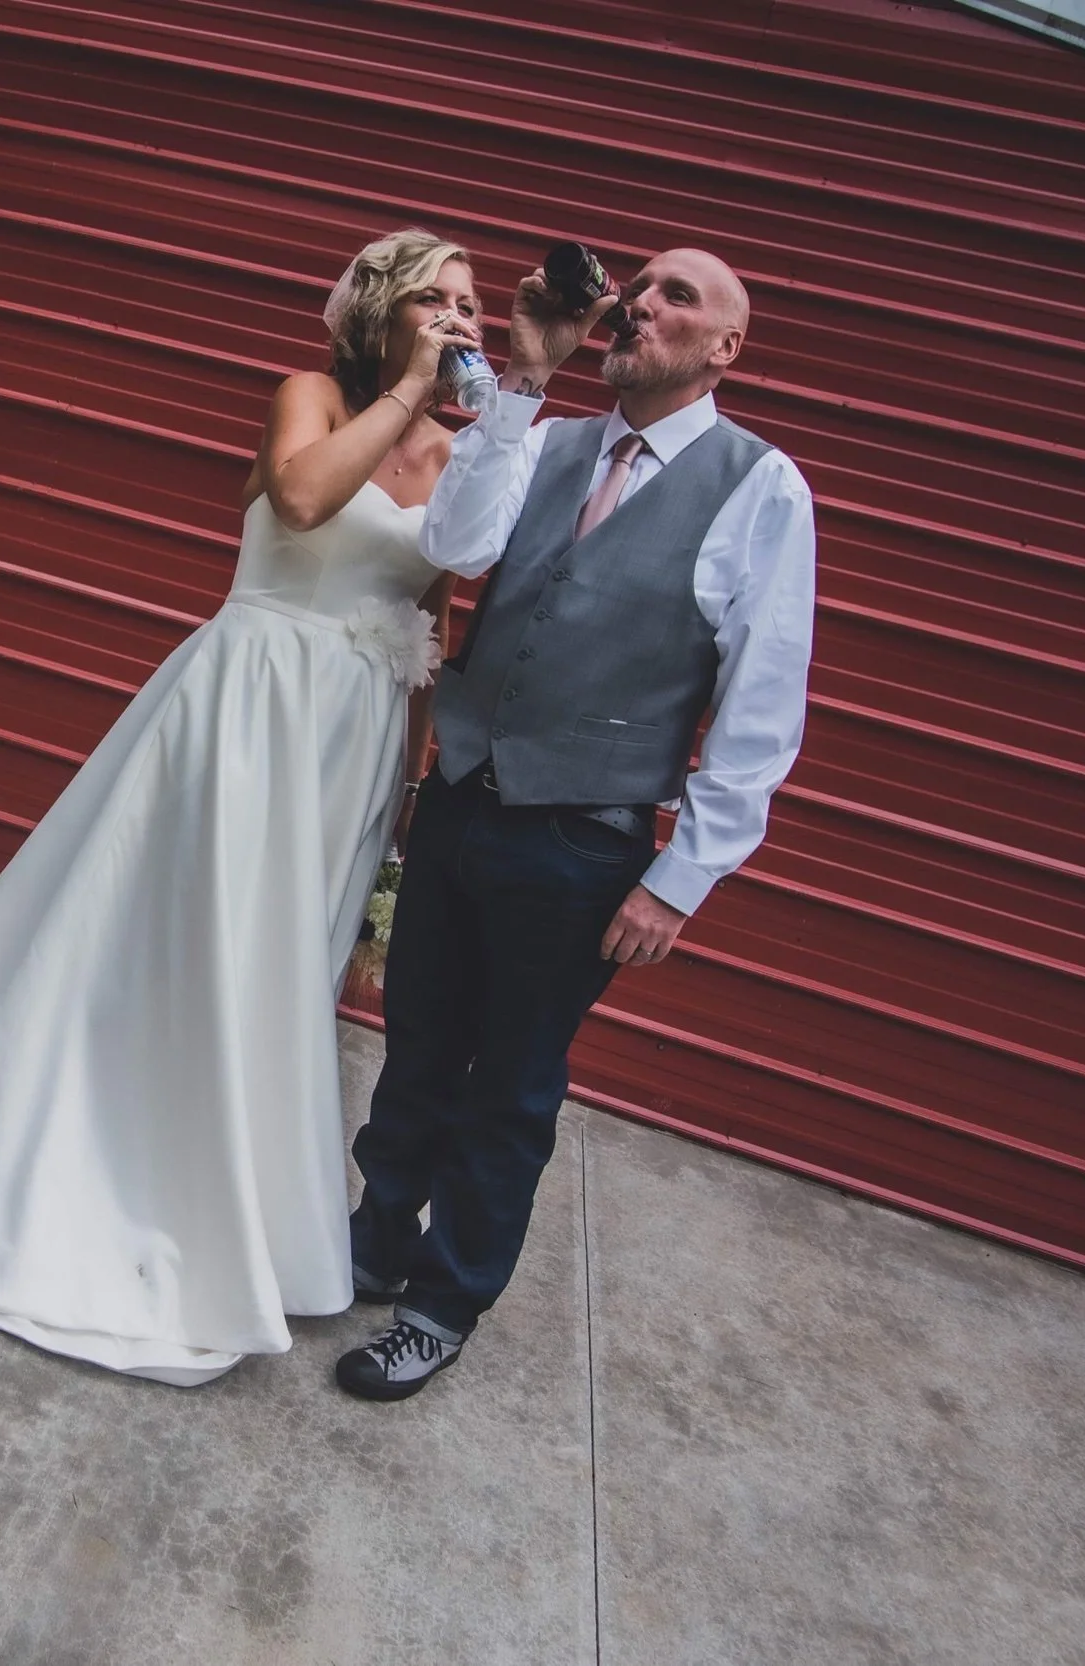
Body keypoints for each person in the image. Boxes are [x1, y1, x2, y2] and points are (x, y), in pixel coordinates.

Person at [0, 229, 487, 1385]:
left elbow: (432, 617)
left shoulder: (460, 459)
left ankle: (232, 1205)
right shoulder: (315, 397)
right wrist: (413, 389)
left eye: (471, 304)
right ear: (384, 310)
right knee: (171, 937)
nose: (460, 317)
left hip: (351, 747)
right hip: (248, 708)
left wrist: (413, 781)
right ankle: (87, 1163)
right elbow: (301, 497)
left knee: (276, 965)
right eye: (437, 297)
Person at [335, 249, 818, 1401]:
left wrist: (680, 879)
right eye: (637, 286)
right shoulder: (542, 436)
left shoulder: (760, 486)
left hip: (581, 837)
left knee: (509, 1085)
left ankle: (441, 1304)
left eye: (677, 296)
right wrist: (522, 379)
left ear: (725, 348)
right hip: (462, 798)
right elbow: (455, 549)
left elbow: (761, 703)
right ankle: (375, 1237)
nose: (641, 303)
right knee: (415, 1047)